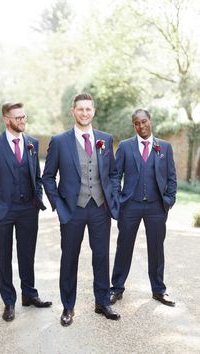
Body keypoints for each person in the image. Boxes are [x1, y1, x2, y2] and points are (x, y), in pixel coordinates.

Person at [42, 93, 120, 326]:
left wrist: (111, 198)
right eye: (80, 109)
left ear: (93, 111)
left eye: (88, 109)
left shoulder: (105, 139)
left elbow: (114, 174)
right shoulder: (59, 141)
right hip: (72, 210)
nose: (84, 113)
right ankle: (68, 307)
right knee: (69, 259)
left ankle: (102, 302)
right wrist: (60, 206)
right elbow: (47, 177)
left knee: (101, 257)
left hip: (100, 209)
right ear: (72, 111)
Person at [0, 102, 52, 322]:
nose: (22, 121)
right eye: (18, 118)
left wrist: (37, 198)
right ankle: (9, 301)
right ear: (6, 119)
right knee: (4, 256)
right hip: (2, 210)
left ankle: (29, 295)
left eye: (24, 117)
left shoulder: (32, 143)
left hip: (28, 209)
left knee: (27, 254)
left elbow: (36, 176)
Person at [110, 108, 177, 307]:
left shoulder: (164, 147)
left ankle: (158, 290)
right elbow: (115, 175)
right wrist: (118, 199)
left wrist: (169, 199)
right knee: (124, 247)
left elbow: (172, 177)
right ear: (134, 125)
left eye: (144, 121)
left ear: (150, 120)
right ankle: (117, 288)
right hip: (130, 205)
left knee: (156, 249)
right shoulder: (125, 146)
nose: (141, 126)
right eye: (137, 123)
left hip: (157, 207)